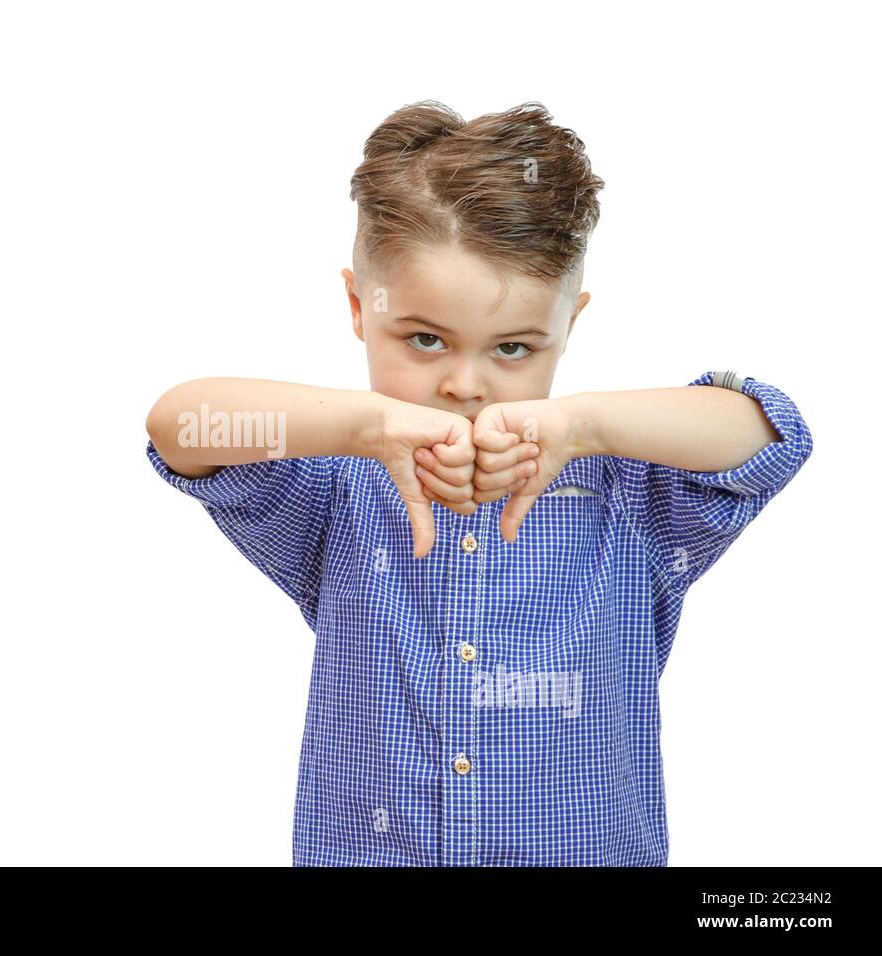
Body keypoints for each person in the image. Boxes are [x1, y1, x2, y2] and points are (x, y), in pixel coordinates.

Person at [143, 100, 813, 866]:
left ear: (569, 324)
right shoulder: (335, 488)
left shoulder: (627, 493)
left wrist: (581, 427)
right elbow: (181, 428)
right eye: (425, 339)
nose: (466, 383)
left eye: (515, 347)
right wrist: (362, 428)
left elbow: (771, 435)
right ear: (362, 308)